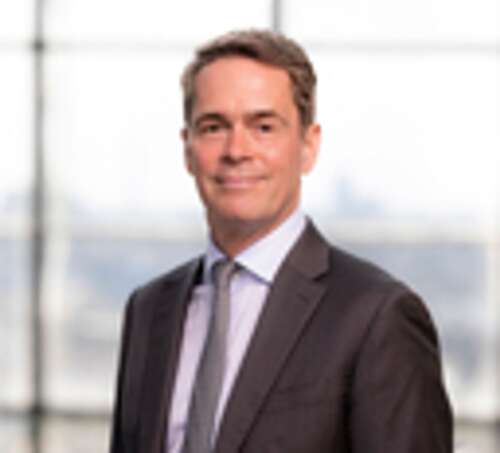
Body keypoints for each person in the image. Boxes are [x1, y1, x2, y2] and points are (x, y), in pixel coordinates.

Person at [109, 29, 453, 453]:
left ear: (308, 146)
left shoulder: (376, 316)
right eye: (214, 127)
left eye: (264, 127)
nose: (237, 150)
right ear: (188, 148)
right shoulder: (148, 310)